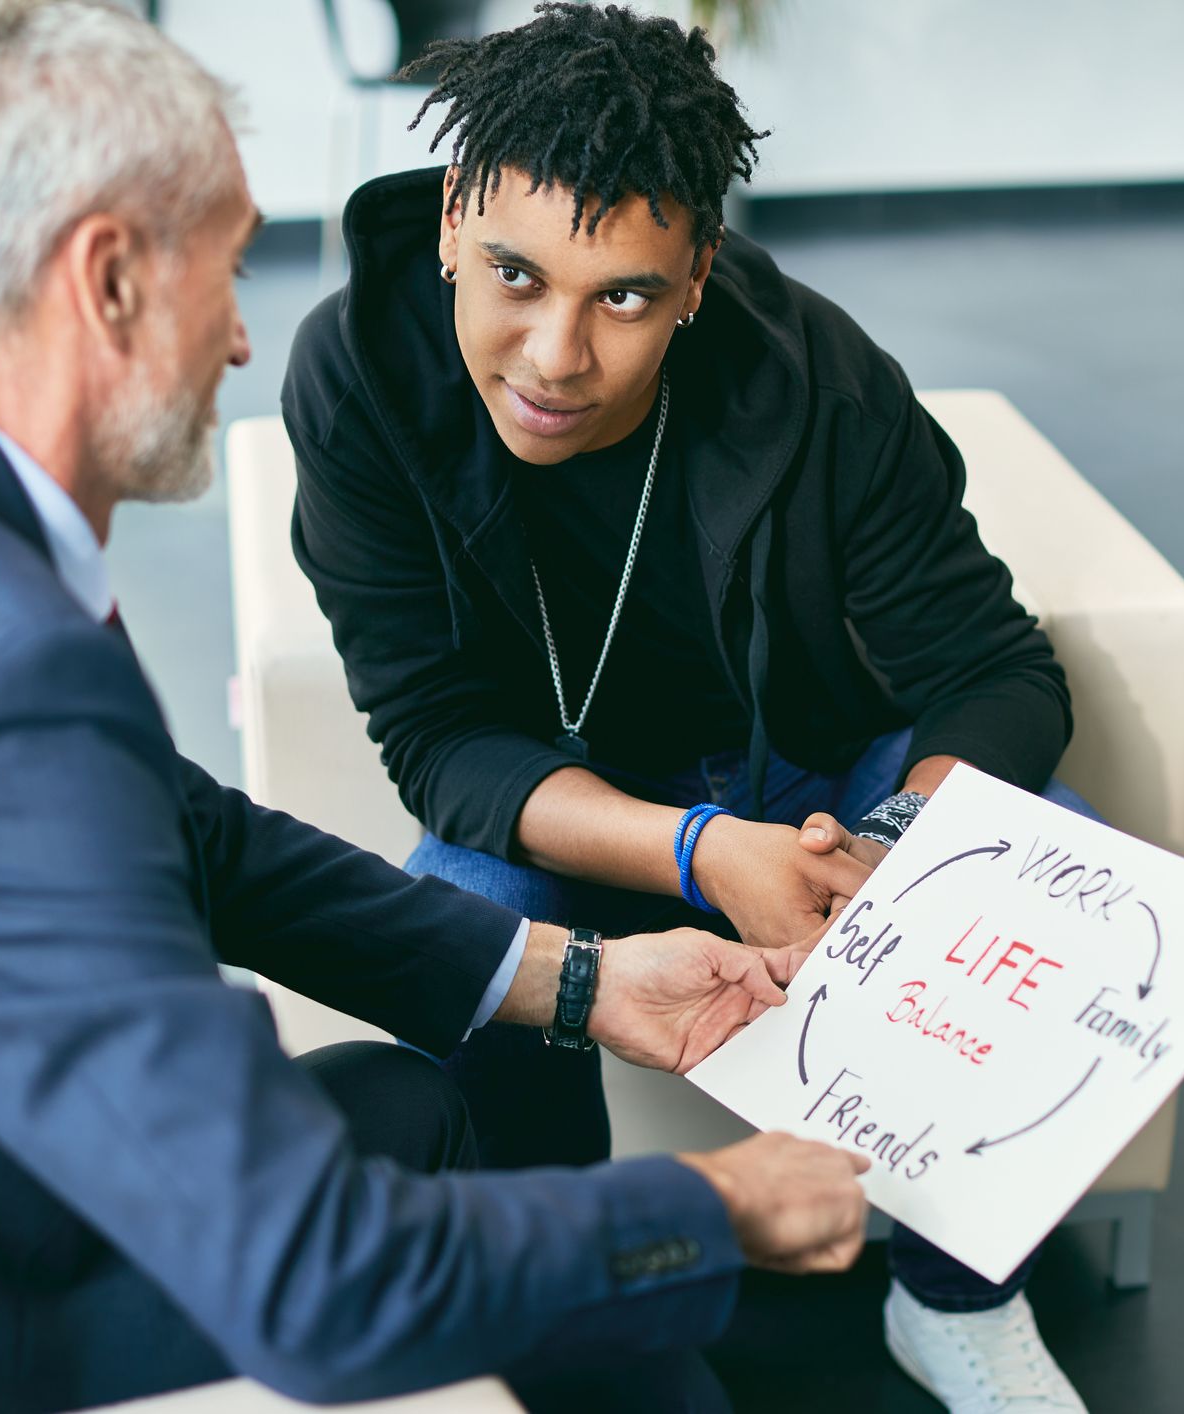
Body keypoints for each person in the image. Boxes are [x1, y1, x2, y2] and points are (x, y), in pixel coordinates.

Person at [0, 4, 874, 1411]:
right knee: (571, 1291)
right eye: (228, 268)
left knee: (408, 1107)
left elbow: (193, 837)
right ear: (110, 282)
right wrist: (710, 1203)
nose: (243, 341)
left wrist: (584, 981)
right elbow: (311, 1278)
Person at [283, 4, 1097, 1410]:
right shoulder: (358, 372)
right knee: (462, 902)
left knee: (1049, 852)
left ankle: (955, 1296)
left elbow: (997, 671)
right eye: (514, 275)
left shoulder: (817, 379)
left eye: (623, 299)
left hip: (815, 788)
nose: (554, 356)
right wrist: (699, 851)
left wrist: (888, 851)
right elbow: (437, 734)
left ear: (696, 280)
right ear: (451, 222)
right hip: (579, 815)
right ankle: (565, 1302)